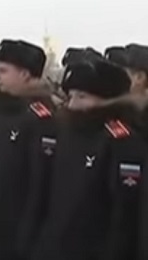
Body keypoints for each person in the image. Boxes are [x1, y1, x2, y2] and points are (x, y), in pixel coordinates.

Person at [31, 58, 147, 260]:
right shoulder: (63, 134)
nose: (73, 104)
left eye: (82, 97)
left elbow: (124, 218)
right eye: (71, 96)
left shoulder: (122, 143)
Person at [0, 39, 58, 260]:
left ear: (25, 74)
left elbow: (41, 184)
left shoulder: (40, 118)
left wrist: (28, 237)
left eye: (3, 70)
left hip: (19, 237)